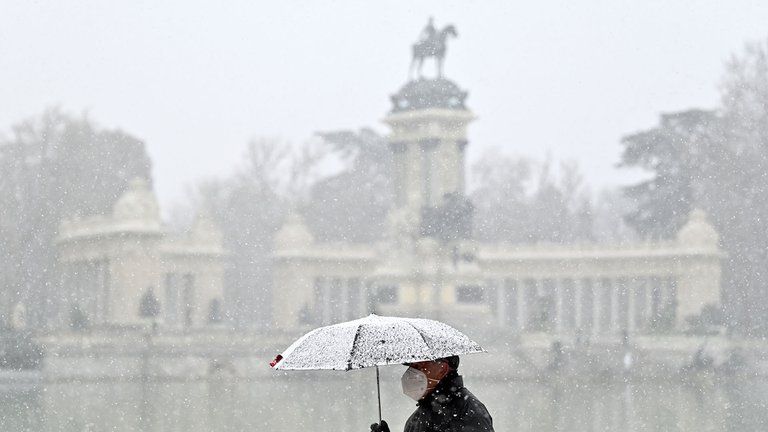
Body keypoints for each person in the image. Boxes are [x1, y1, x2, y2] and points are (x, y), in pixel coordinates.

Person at [370, 356, 494, 432]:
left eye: (419, 365)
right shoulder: (416, 419)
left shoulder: (468, 412)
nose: (411, 372)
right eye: (412, 366)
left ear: (442, 369)